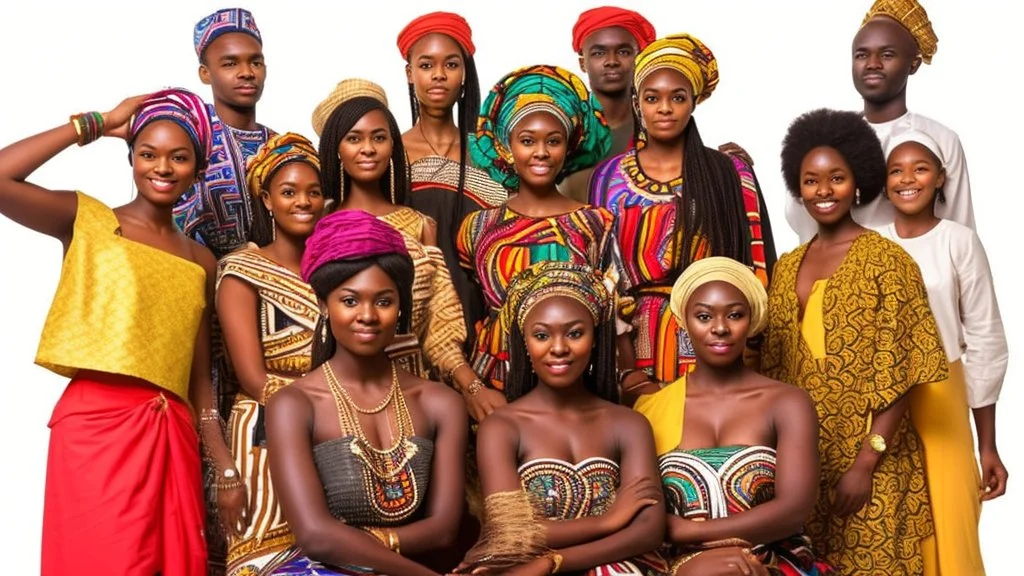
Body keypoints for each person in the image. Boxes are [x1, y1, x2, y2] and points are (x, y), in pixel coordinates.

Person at [0, 88, 241, 574]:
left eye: (179, 157)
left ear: (197, 169)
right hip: (95, 429)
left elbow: (200, 382)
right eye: (148, 154)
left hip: (170, 433)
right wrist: (96, 122)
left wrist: (226, 468)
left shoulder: (201, 260)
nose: (163, 168)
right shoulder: (88, 220)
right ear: (130, 158)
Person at [762, 108, 948, 575]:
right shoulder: (785, 267)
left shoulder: (889, 262)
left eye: (836, 178)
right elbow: (774, 367)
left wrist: (867, 462)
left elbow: (906, 369)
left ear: (859, 182)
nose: (823, 191)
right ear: (797, 186)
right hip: (803, 464)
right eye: (810, 180)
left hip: (871, 462)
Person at [265, 209, 468, 576]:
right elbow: (315, 536)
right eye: (349, 300)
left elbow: (444, 529)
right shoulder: (293, 404)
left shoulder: (441, 403)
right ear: (323, 305)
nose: (368, 316)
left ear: (400, 306)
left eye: (384, 301)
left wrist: (368, 545)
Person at [589, 33, 777, 392]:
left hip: (712, 336)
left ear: (693, 102)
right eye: (652, 98)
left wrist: (750, 356)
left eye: (677, 97)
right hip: (633, 344)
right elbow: (603, 274)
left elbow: (756, 264)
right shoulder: (608, 176)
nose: (664, 108)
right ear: (636, 102)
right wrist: (625, 366)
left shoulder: (728, 172)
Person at [463, 262, 668, 575]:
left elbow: (649, 530)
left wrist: (552, 562)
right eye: (542, 335)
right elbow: (510, 533)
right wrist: (609, 520)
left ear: (596, 338)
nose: (559, 348)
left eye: (574, 333)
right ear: (525, 342)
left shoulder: (628, 423)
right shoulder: (502, 426)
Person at [633, 257, 833, 576]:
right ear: (684, 321)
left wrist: (692, 533)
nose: (720, 328)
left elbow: (793, 509)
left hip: (771, 560)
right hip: (679, 566)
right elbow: (640, 513)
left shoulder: (788, 402)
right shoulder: (650, 407)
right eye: (704, 316)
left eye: (735, 315)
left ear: (750, 320)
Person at [458, 63, 632, 412]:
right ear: (506, 148)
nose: (540, 152)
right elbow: (466, 315)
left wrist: (628, 381)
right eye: (527, 141)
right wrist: (471, 388)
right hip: (496, 385)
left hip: (580, 385)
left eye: (553, 141)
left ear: (568, 147)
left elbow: (618, 312)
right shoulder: (478, 227)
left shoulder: (597, 222)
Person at [877, 130, 1008, 575]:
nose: (907, 179)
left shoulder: (958, 241)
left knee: (952, 519)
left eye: (920, 168)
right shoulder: (869, 244)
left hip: (942, 399)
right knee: (893, 525)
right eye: (896, 170)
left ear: (940, 178)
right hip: (881, 402)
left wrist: (987, 444)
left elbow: (986, 338)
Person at [311, 79, 483, 401]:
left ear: (393, 145)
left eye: (379, 137)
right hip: (336, 390)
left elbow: (440, 317)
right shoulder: (319, 223)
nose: (368, 149)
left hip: (412, 387)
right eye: (353, 138)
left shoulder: (418, 225)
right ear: (336, 147)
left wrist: (472, 386)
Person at [215, 133, 326, 574]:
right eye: (289, 192)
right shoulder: (242, 270)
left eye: (313, 192)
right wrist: (335, 408)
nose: (304, 202)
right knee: (265, 559)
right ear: (266, 199)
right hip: (263, 432)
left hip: (331, 430)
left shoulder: (335, 270)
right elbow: (252, 377)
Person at [784, 0, 974, 242]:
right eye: (861, 55)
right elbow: (798, 216)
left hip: (921, 275)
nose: (872, 64)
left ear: (913, 64)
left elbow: (960, 226)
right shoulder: (825, 138)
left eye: (887, 54)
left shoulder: (941, 139)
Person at [397, 11, 507, 352]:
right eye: (427, 65)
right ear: (410, 74)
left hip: (484, 312)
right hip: (410, 309)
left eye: (451, 64)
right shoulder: (391, 153)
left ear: (464, 73)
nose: (439, 76)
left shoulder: (491, 154)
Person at [175, 7, 276, 258]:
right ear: (205, 73)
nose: (247, 72)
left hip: (274, 286)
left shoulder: (280, 146)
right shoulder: (185, 139)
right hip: (189, 280)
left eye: (256, 62)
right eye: (230, 63)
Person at [557, 5, 656, 203]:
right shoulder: (562, 129)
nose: (612, 61)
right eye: (598, 53)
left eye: (624, 52)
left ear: (640, 59)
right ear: (583, 63)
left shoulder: (660, 126)